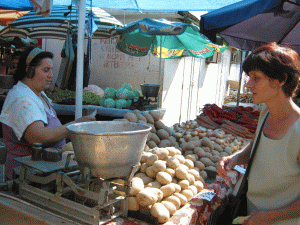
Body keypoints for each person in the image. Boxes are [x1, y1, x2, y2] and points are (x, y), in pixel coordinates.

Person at [217, 42, 300, 225]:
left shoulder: (298, 132)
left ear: (281, 80)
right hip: (254, 215)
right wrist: (237, 157)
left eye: (256, 78)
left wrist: (269, 217)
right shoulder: (266, 112)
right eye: (248, 77)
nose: (248, 85)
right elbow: (257, 144)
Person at [0, 46, 95, 180]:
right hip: (27, 176)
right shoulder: (21, 99)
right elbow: (37, 137)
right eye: (46, 70)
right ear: (29, 71)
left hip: (45, 172)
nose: (51, 75)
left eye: (51, 70)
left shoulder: (38, 93)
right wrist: (73, 126)